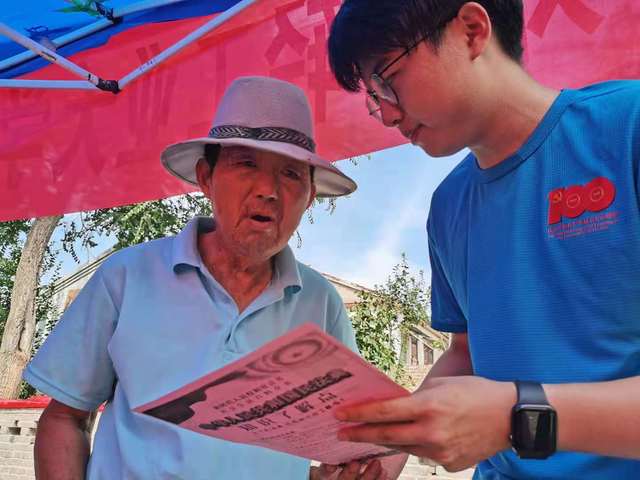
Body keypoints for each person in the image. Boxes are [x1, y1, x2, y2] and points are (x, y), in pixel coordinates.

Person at [326, 1, 640, 479]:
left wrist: (517, 417)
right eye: (373, 96)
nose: (386, 114)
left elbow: (502, 409)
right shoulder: (448, 206)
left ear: (472, 30)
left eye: (387, 79)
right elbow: (467, 351)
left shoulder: (625, 129)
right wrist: (391, 445)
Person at [24, 76, 389, 480]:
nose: (268, 190)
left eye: (290, 174)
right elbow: (65, 418)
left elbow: (339, 441)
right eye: (246, 164)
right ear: (206, 178)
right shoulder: (126, 276)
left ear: (309, 197)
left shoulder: (320, 302)